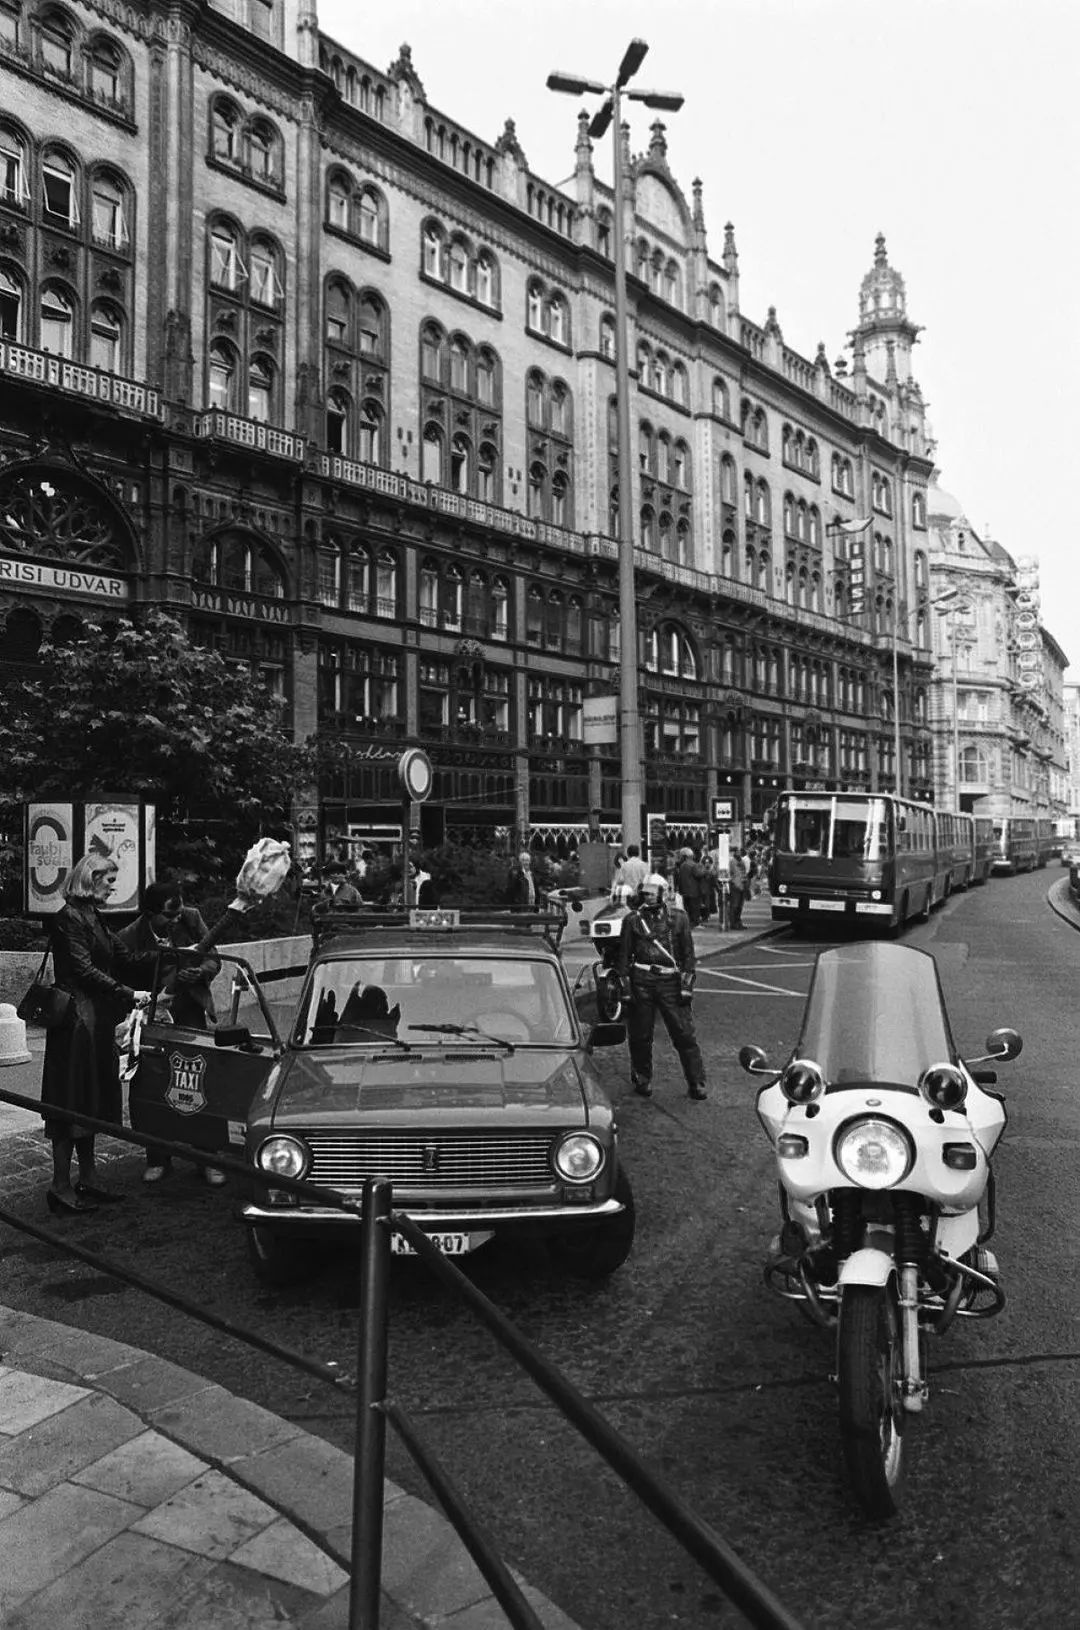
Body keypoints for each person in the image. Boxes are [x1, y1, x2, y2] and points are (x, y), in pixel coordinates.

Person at [39, 854, 154, 1215]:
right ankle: (60, 1185)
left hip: (94, 1019)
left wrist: (170, 953)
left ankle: (87, 1176)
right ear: (91, 877)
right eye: (108, 880)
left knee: (89, 1098)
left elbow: (126, 958)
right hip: (76, 1021)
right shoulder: (69, 918)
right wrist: (127, 993)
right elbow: (83, 970)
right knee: (70, 1101)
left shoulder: (93, 917)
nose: (112, 886)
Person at [117, 881, 226, 1187]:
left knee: (198, 1078)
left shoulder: (191, 917)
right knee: (153, 1081)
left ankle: (208, 1157)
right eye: (169, 915)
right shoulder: (129, 937)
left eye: (179, 912)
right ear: (150, 914)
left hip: (190, 1010)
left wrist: (201, 972)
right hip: (152, 1016)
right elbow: (125, 977)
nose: (176, 919)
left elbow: (213, 956)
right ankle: (157, 1157)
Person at [616, 873, 707, 1102]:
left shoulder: (679, 919)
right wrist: (625, 988)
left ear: (663, 893)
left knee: (684, 1034)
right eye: (644, 892)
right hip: (642, 980)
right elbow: (624, 957)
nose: (647, 896)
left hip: (670, 982)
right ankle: (642, 1078)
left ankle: (696, 1082)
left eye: (651, 892)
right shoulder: (632, 920)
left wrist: (687, 987)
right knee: (640, 1035)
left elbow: (688, 956)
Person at [674, 846, 706, 927]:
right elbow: (699, 876)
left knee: (688, 909)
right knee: (695, 909)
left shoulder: (682, 866)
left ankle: (689, 923)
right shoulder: (694, 865)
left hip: (685, 891)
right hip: (694, 891)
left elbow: (680, 879)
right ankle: (696, 923)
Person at [728, 848, 749, 929]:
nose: (739, 853)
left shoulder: (742, 861)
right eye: (737, 851)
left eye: (740, 851)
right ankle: (733, 923)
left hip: (742, 886)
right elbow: (729, 873)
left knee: (740, 906)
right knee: (734, 906)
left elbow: (744, 872)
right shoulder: (732, 861)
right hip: (735, 886)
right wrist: (733, 882)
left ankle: (738, 922)